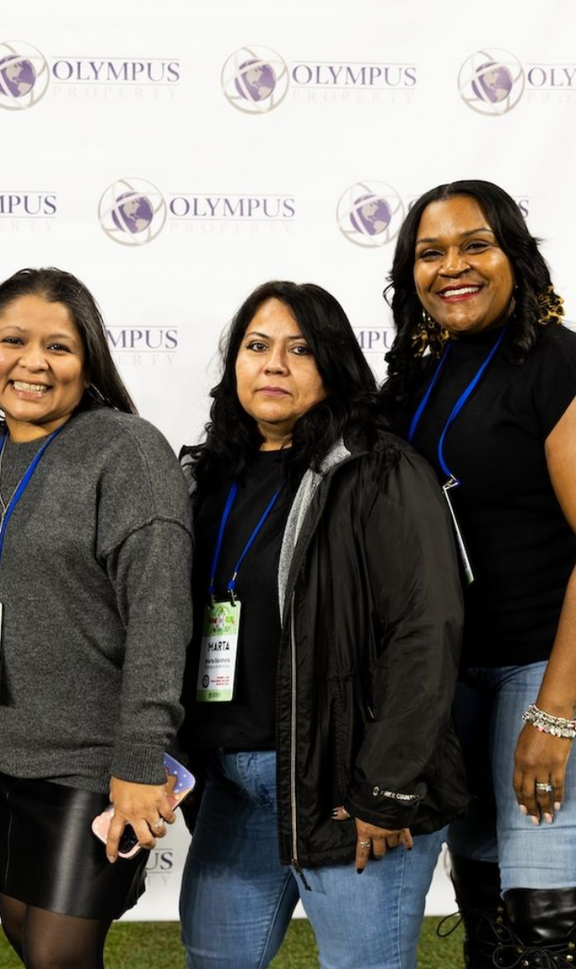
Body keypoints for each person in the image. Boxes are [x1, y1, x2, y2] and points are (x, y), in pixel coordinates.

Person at [380, 181, 576, 969]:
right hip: (462, 669)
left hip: (559, 660)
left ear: (515, 258)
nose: (453, 267)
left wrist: (555, 713)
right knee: (489, 916)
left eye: (475, 246)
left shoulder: (564, 365)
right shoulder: (420, 375)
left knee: (546, 936)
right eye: (431, 253)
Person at [176, 281, 468, 969]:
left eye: (299, 350)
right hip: (236, 788)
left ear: (334, 366)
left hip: (348, 783)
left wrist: (386, 788)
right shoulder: (209, 478)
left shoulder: (379, 470)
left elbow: (425, 632)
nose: (273, 364)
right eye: (257, 346)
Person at [0, 268, 193, 969]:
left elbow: (159, 615)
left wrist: (140, 758)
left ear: (88, 361)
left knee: (58, 956)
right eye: (12, 341)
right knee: (30, 944)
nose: (33, 363)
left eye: (58, 346)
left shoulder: (126, 450)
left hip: (93, 760)